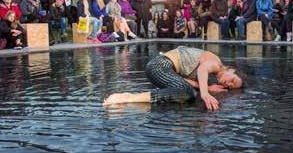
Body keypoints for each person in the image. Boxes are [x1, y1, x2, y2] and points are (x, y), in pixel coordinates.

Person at [103, 46, 245, 111]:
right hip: (160, 65)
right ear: (231, 70)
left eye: (230, 87)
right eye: (232, 80)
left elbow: (180, 79)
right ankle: (127, 97)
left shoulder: (209, 75)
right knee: (188, 93)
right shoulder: (216, 63)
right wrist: (205, 93)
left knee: (188, 92)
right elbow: (202, 69)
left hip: (161, 68)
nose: (228, 84)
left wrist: (206, 87)